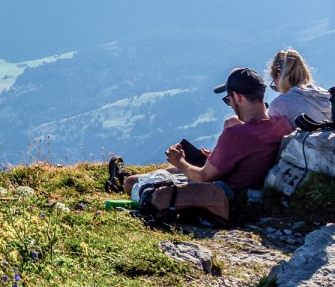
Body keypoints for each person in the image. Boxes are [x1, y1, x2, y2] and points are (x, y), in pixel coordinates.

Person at [111, 67, 293, 222]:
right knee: (178, 170)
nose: (229, 104)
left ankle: (127, 178)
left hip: (220, 193)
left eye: (228, 99)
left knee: (131, 183)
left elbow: (203, 176)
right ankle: (139, 176)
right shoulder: (281, 124)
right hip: (241, 185)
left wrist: (179, 161)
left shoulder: (237, 135)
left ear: (237, 97)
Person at [266, 48, 331, 127]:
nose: (278, 91)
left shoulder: (279, 104)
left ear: (279, 75)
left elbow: (272, 136)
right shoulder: (326, 96)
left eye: (274, 85)